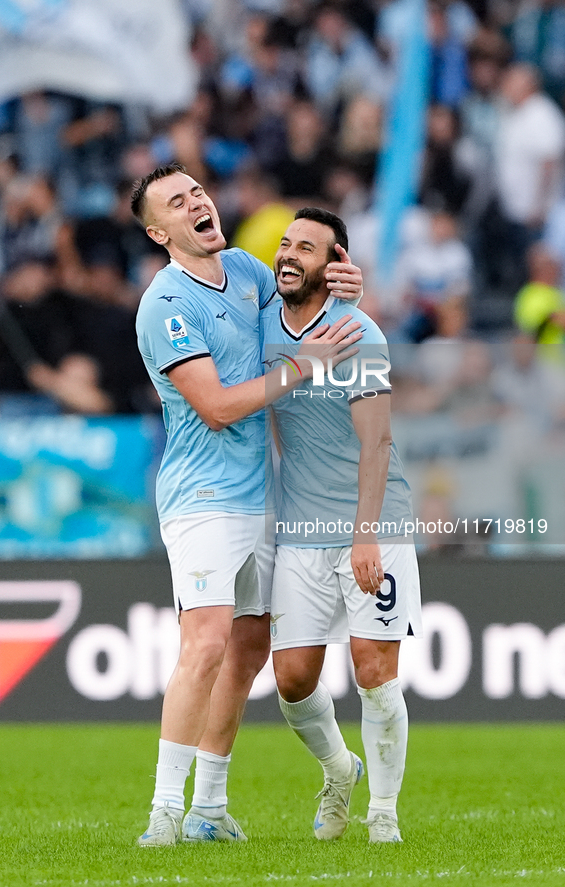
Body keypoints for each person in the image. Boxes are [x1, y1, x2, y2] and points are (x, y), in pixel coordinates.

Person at [130, 163, 364, 846]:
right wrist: (300, 367)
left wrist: (341, 285)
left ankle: (209, 808)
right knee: (204, 641)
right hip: (203, 497)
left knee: (248, 648)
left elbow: (300, 318)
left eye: (197, 191)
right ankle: (163, 813)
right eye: (177, 202)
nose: (196, 201)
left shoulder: (246, 270)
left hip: (265, 493)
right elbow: (217, 406)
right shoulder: (167, 303)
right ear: (158, 231)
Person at [261, 207, 422, 843]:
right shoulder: (260, 326)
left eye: (307, 247)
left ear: (336, 266)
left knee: (374, 667)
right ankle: (338, 769)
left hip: (373, 523)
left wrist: (367, 535)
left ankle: (383, 812)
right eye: (285, 244)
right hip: (299, 527)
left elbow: (376, 441)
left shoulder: (360, 333)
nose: (289, 255)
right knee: (293, 679)